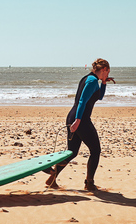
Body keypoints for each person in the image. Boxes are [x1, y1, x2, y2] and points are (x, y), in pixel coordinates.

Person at [44, 58, 114, 192]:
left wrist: (104, 83)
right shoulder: (92, 81)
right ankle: (89, 183)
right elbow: (82, 101)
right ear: (104, 70)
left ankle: (52, 177)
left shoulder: (88, 79)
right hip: (80, 119)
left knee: (72, 152)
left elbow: (99, 97)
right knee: (95, 150)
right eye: (107, 72)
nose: (108, 74)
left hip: (73, 116)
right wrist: (78, 120)